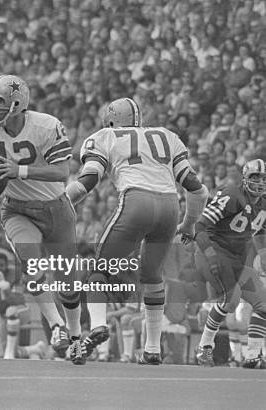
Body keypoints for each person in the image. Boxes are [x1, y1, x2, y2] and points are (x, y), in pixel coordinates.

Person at [66, 97, 209, 364]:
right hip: (170, 207)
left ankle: (97, 324)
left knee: (99, 270)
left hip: (135, 202)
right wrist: (189, 222)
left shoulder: (105, 136)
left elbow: (88, 180)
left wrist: (62, 204)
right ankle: (152, 348)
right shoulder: (166, 136)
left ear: (110, 120)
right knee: (153, 276)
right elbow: (197, 190)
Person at [0, 74, 82, 359]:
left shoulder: (46, 125)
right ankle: (56, 326)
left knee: (68, 280)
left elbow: (62, 172)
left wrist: (20, 171)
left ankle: (75, 335)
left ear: (17, 104)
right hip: (16, 207)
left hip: (55, 206)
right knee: (32, 263)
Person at [193, 158, 266, 369]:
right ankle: (205, 347)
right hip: (213, 251)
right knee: (231, 299)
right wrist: (210, 254)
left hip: (236, 258)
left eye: (263, 178)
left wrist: (262, 252)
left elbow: (260, 231)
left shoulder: (263, 203)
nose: (260, 182)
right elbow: (200, 226)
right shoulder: (233, 194)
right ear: (245, 178)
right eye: (255, 176)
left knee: (263, 303)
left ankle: (252, 355)